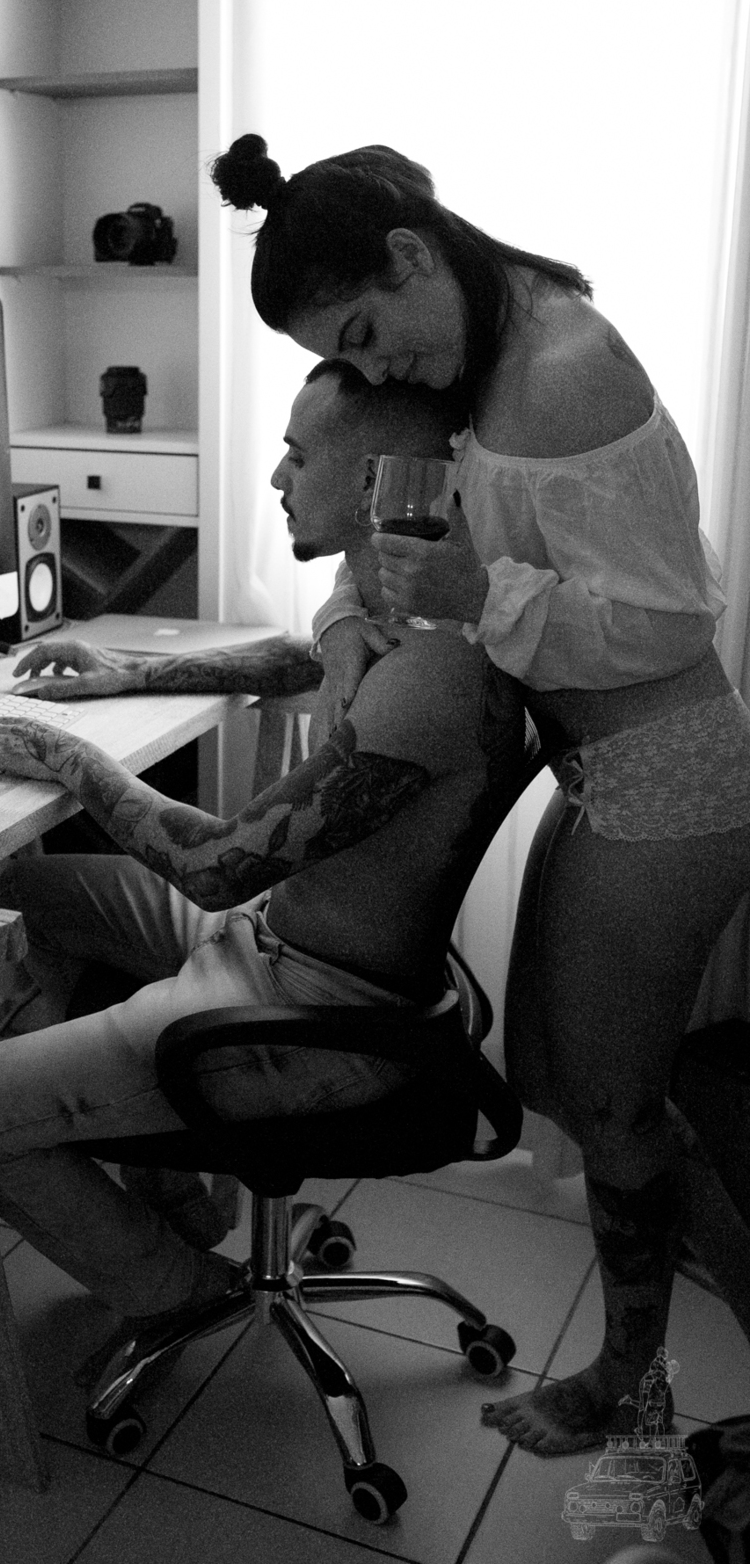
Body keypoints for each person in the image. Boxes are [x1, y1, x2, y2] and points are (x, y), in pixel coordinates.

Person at [207, 132, 750, 1455]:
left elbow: (672, 622)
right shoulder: (467, 352)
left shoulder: (561, 374)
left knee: (615, 1104)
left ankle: (625, 1378)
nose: (376, 373)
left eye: (365, 335)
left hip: (670, 775)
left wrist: (481, 593)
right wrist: (352, 625)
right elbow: (390, 540)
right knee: (574, 1083)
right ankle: (646, 1351)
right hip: (602, 767)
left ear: (410, 255)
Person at [0, 370, 529, 1331]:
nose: (278, 478)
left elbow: (216, 868)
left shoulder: (433, 681)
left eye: (299, 455)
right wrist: (128, 675)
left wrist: (66, 753)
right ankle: (180, 1194)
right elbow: (298, 658)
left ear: (377, 480)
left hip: (311, 1009)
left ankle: (179, 1291)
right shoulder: (404, 619)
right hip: (272, 937)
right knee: (38, 890)